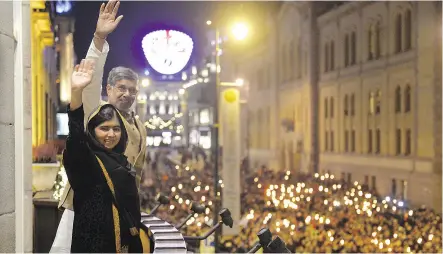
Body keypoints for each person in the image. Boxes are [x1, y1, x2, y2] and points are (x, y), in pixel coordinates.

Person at [51, 0, 149, 252]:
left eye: (132, 90)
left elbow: (135, 174)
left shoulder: (139, 125)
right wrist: (99, 38)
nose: (127, 94)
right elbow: (89, 85)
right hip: (87, 206)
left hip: (121, 212)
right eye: (121, 88)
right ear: (109, 89)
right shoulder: (97, 112)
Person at [64, 58, 142, 253]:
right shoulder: (87, 160)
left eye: (116, 129)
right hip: (94, 244)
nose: (111, 135)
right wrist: (76, 93)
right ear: (92, 131)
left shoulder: (122, 161)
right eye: (104, 128)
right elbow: (75, 139)